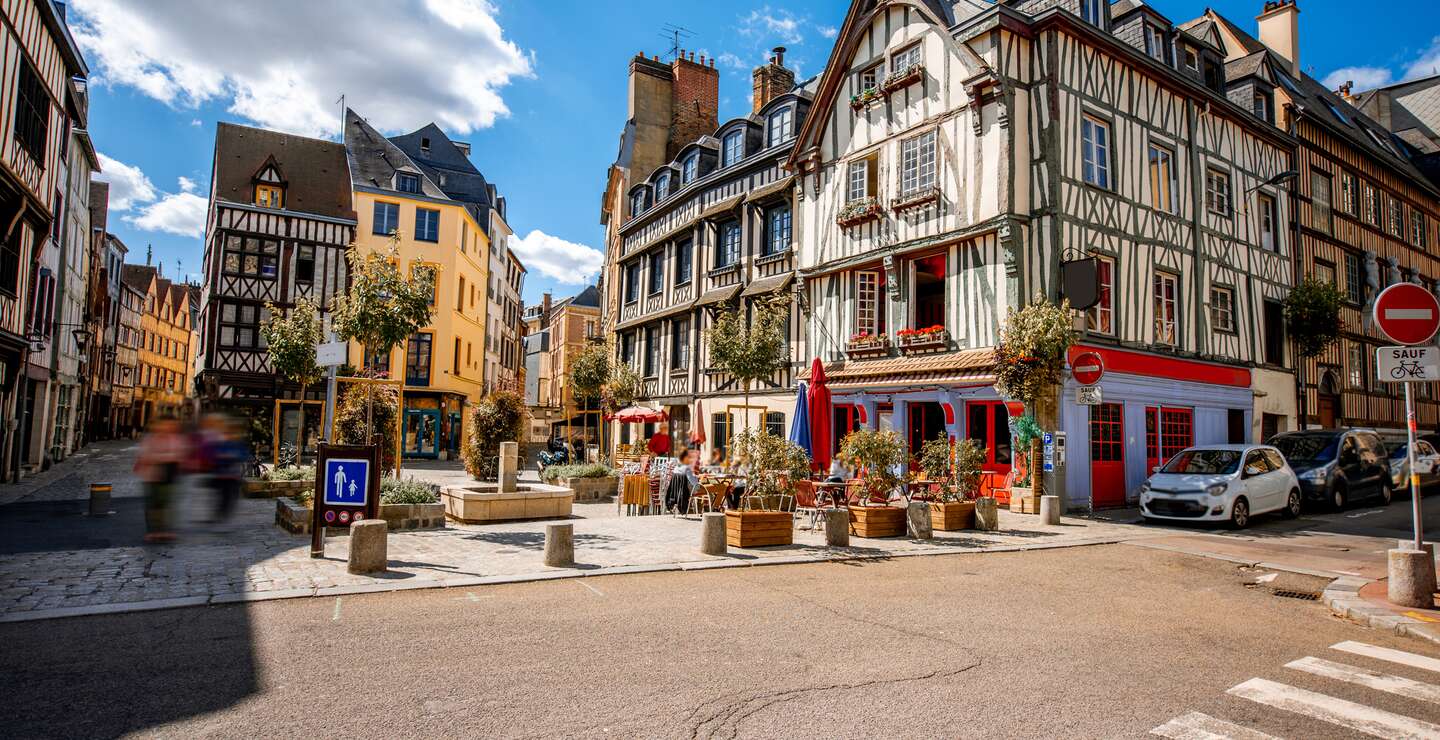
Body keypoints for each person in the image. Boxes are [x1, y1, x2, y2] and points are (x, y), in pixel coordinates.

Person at [134, 417, 187, 543]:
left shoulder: (176, 439)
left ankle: (165, 530)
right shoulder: (150, 439)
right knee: (153, 504)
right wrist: (168, 457)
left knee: (167, 503)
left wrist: (161, 457)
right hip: (152, 476)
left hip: (169, 476)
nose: (168, 428)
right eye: (165, 425)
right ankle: (153, 531)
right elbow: (145, 456)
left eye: (171, 425)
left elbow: (181, 455)